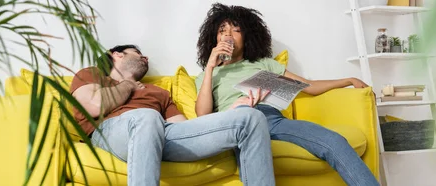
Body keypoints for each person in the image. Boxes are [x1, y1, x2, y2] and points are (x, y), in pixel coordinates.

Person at [194, 3, 380, 186]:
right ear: (214, 38)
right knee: (254, 166)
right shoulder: (207, 75)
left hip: (271, 119)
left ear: (247, 37)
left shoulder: (263, 64)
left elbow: (307, 86)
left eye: (236, 30)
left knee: (334, 141)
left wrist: (347, 80)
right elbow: (202, 114)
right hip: (238, 122)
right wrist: (211, 66)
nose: (228, 35)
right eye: (222, 30)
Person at [70, 44, 275, 186]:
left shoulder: (158, 92)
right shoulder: (92, 74)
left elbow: (186, 130)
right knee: (147, 117)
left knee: (251, 118)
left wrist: (232, 113)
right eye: (137, 52)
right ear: (117, 54)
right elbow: (93, 106)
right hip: (110, 130)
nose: (145, 57)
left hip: (161, 133)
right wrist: (128, 85)